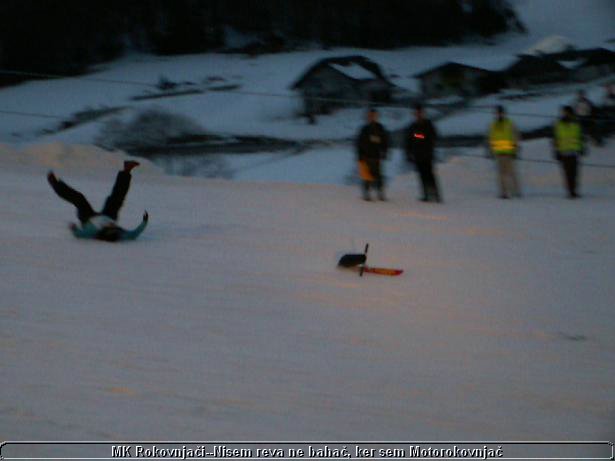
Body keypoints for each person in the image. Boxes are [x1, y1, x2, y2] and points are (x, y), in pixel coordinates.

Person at [48, 160, 148, 241]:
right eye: (114, 226)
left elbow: (79, 235)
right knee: (117, 197)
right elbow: (134, 234)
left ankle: (55, 184)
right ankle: (127, 170)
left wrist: (74, 228)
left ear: (105, 231)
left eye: (110, 227)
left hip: (88, 218)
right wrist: (144, 221)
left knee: (79, 198)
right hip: (108, 216)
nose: (112, 225)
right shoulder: (120, 233)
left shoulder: (92, 232)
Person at [404, 104, 441, 202]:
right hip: (417, 155)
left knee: (430, 175)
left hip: (427, 154)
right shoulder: (412, 126)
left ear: (423, 113)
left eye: (420, 113)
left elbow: (432, 136)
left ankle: (436, 195)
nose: (418, 115)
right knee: (421, 175)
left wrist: (419, 136)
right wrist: (408, 153)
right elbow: (408, 140)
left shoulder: (428, 124)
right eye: (416, 113)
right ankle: (426, 194)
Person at [488, 105, 521, 199]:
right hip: (499, 153)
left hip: (509, 153)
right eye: (497, 113)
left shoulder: (510, 123)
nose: (499, 114)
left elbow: (516, 136)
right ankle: (504, 192)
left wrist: (515, 150)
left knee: (512, 174)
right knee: (501, 175)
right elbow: (491, 138)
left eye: (501, 113)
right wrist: (491, 150)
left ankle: (516, 191)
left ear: (504, 113)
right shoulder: (493, 125)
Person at [356, 108, 389, 201]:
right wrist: (360, 156)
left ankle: (380, 193)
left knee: (378, 175)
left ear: (377, 117)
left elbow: (385, 141)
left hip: (377, 156)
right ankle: (366, 193)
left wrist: (384, 152)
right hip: (366, 156)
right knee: (366, 176)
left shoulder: (380, 128)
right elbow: (359, 143)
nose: (372, 117)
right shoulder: (364, 129)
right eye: (370, 116)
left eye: (374, 115)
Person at [553, 106, 585, 199]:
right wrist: (556, 151)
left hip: (574, 152)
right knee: (567, 173)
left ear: (570, 113)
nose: (565, 114)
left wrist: (582, 148)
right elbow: (556, 139)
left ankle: (573, 190)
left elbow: (580, 137)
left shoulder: (576, 124)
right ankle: (570, 191)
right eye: (564, 112)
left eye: (566, 112)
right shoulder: (558, 124)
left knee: (574, 173)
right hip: (564, 152)